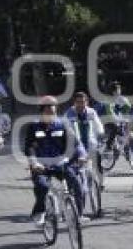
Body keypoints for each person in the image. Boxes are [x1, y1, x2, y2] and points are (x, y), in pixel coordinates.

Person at [25, 96, 86, 224]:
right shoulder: (33, 126)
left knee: (77, 183)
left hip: (60, 164)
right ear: (41, 112)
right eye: (47, 112)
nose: (50, 115)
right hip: (41, 165)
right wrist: (34, 162)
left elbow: (76, 143)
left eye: (53, 112)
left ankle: (79, 215)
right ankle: (40, 212)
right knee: (42, 186)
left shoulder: (62, 124)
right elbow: (29, 148)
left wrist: (81, 155)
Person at [64, 91, 105, 181]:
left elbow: (98, 124)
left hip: (90, 142)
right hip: (75, 144)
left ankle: (100, 182)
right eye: (78, 102)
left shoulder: (91, 112)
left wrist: (101, 133)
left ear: (86, 102)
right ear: (74, 103)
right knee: (72, 166)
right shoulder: (69, 113)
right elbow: (66, 127)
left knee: (97, 159)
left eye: (83, 102)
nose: (80, 105)